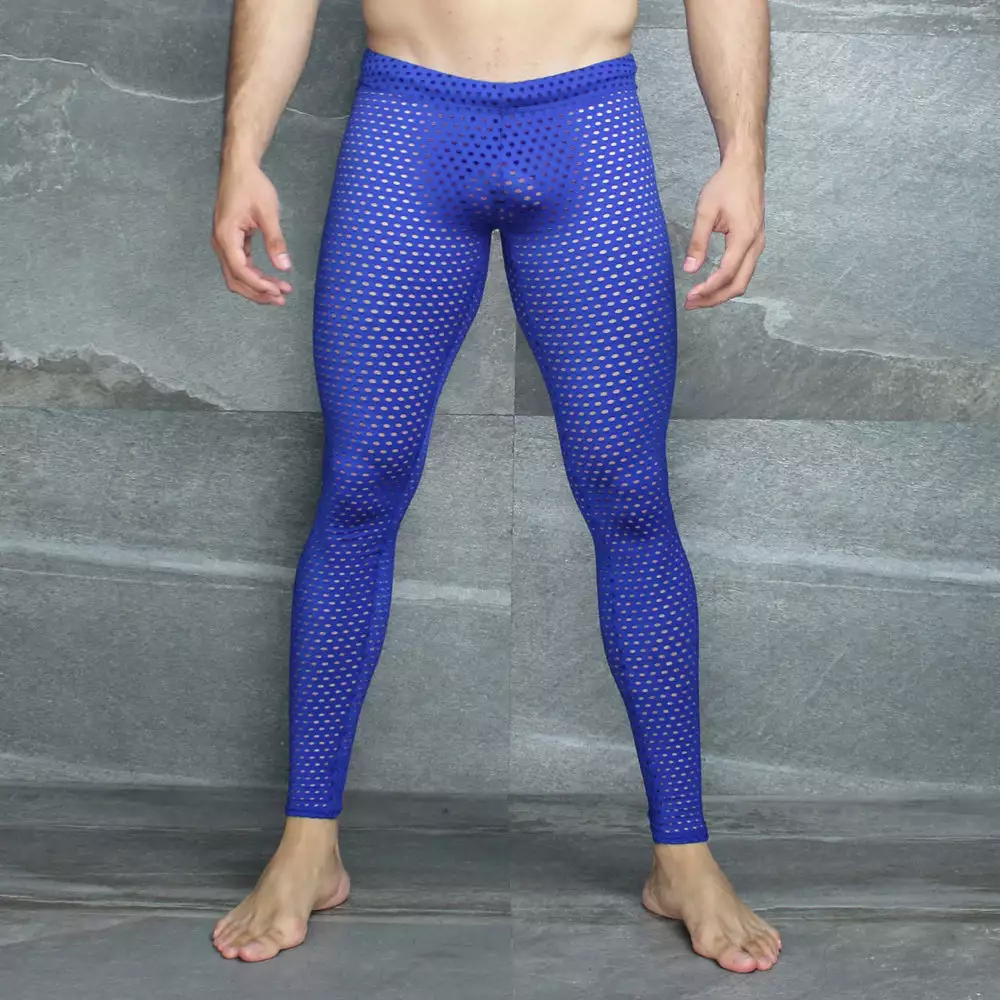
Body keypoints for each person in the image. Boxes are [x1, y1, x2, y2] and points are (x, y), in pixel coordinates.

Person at [209, 0, 777, 975]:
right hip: (408, 123)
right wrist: (240, 150)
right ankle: (309, 843)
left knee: (630, 496)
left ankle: (682, 855)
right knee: (359, 487)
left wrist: (743, 154)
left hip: (588, 126)